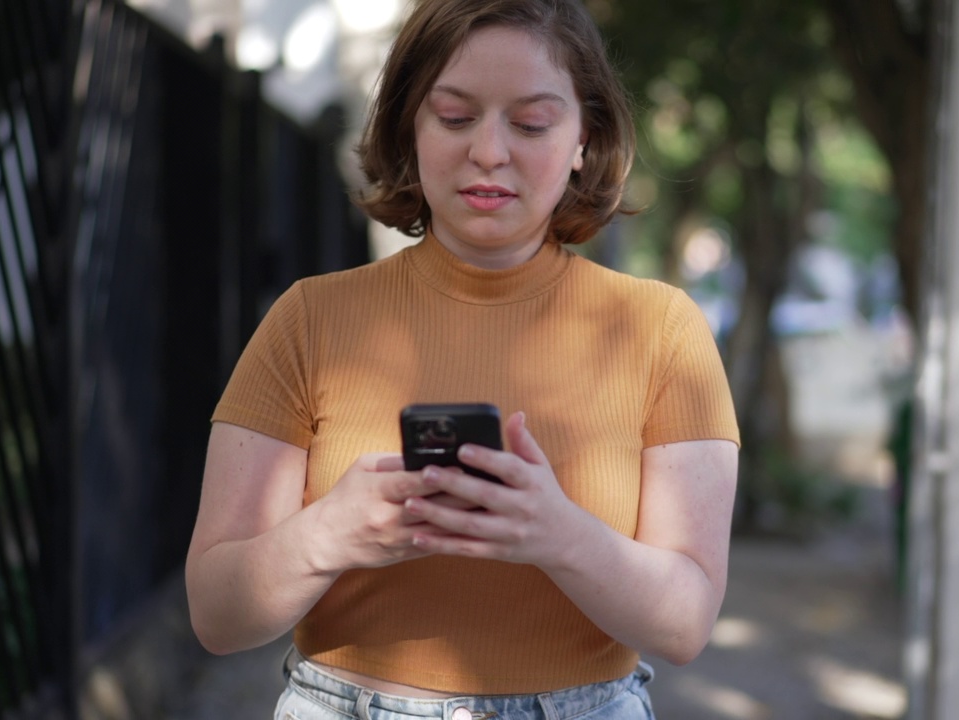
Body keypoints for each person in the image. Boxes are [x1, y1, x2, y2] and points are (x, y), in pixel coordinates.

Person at [184, 0, 740, 717]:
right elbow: (216, 616)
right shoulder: (309, 319)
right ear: (409, 127)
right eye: (453, 117)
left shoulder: (662, 331)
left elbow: (685, 624)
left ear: (584, 139)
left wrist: (556, 533)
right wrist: (331, 533)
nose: (489, 151)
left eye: (532, 123)